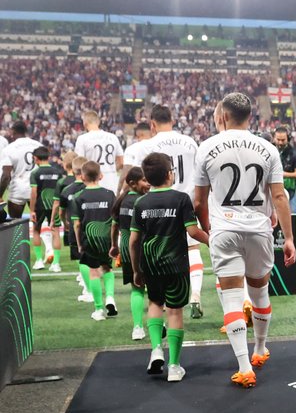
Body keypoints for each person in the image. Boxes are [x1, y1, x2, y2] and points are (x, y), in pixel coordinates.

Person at [193, 93, 296, 388]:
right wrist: (288, 238)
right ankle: (260, 349)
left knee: (232, 297)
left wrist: (209, 228)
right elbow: (279, 196)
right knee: (260, 292)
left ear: (223, 116)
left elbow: (198, 200)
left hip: (225, 227)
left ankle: (243, 367)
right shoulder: (267, 148)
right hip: (259, 228)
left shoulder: (207, 147)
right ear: (250, 116)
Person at [130, 153, 210, 381]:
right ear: (169, 174)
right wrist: (210, 241)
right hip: (176, 264)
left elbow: (134, 241)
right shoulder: (181, 198)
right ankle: (174, 366)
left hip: (151, 264)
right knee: (174, 311)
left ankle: (156, 349)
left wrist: (136, 269)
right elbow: (192, 231)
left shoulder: (140, 202)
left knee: (155, 303)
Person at [141, 105, 205, 320]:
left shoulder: (149, 144)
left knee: (160, 253)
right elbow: (199, 175)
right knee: (193, 247)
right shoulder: (189, 142)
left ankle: (165, 304)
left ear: (152, 124)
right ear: (172, 120)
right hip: (185, 201)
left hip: (158, 205)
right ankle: (194, 294)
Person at [68, 161, 118, 321]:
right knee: (107, 268)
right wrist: (114, 242)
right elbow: (115, 220)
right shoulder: (110, 194)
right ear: (100, 175)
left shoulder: (78, 197)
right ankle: (110, 298)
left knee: (94, 272)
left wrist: (80, 244)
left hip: (88, 240)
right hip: (107, 239)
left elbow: (76, 224)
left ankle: (99, 309)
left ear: (82, 177)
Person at [110, 166, 150, 341]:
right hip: (146, 249)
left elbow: (114, 226)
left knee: (137, 289)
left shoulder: (121, 201)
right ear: (133, 183)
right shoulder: (145, 201)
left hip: (127, 251)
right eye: (144, 180)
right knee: (155, 290)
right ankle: (158, 323)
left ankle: (137, 327)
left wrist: (114, 246)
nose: (148, 184)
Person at [54, 155, 92, 303]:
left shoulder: (66, 190)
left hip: (75, 228)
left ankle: (87, 287)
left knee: (81, 258)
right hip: (91, 228)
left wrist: (65, 223)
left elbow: (61, 212)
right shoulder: (91, 189)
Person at [28, 146, 65, 272]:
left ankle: (39, 261)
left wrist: (32, 210)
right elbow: (62, 191)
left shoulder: (35, 173)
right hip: (54, 205)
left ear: (36, 159)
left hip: (39, 206)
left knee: (36, 230)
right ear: (48, 157)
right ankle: (56, 264)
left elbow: (33, 193)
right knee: (55, 231)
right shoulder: (58, 172)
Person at [1, 122, 43, 223]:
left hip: (17, 190)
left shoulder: (9, 148)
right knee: (37, 226)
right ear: (25, 131)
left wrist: (0, 194)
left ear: (13, 132)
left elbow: (6, 176)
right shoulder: (39, 145)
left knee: (16, 226)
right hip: (35, 189)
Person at [73, 109, 124, 192]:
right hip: (113, 182)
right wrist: (111, 170)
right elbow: (121, 162)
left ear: (85, 124)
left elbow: (79, 164)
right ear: (98, 122)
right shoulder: (113, 137)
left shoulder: (82, 139)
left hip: (93, 183)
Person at [273, 126, 296, 214]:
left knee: (292, 216)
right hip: (273, 190)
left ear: (288, 139)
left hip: (290, 191)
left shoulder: (294, 154)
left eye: (283, 140)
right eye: (278, 139)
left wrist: (283, 174)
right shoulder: (270, 150)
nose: (280, 142)